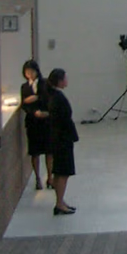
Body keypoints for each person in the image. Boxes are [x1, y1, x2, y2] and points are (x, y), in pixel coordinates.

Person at [45, 68, 79, 216]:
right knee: (63, 172)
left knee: (60, 172)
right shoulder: (57, 97)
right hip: (62, 139)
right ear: (59, 81)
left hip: (58, 138)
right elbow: (64, 118)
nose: (67, 80)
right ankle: (59, 203)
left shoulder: (53, 95)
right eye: (65, 78)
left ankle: (60, 201)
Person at [19, 59, 52, 192]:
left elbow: (48, 98)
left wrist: (36, 99)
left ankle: (50, 177)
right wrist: (34, 112)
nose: (30, 74)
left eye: (32, 71)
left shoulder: (45, 83)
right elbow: (24, 105)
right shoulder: (24, 87)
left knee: (49, 151)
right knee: (35, 152)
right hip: (33, 122)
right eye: (27, 72)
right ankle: (37, 178)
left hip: (46, 121)